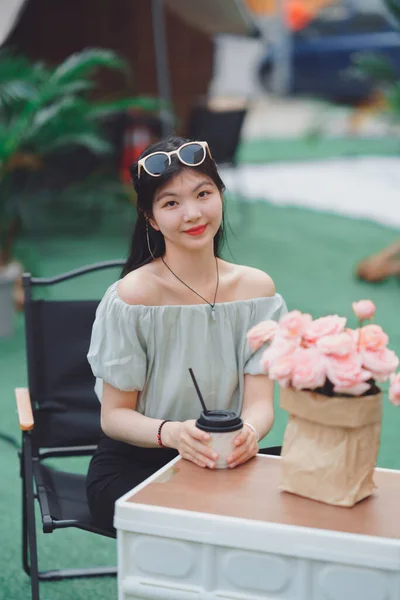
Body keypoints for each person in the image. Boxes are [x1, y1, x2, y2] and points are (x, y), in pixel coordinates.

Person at [86, 136, 287, 532]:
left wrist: (248, 432)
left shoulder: (257, 291)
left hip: (223, 458)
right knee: (219, 514)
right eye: (171, 203)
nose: (193, 213)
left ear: (221, 194)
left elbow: (261, 402)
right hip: (138, 464)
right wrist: (174, 434)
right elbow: (114, 416)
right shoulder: (133, 297)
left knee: (311, 476)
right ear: (150, 217)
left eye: (203, 193)